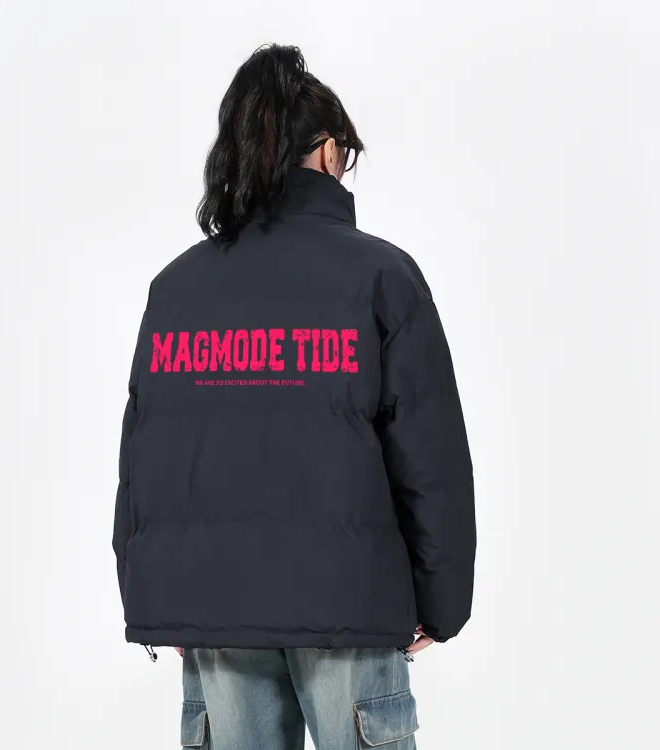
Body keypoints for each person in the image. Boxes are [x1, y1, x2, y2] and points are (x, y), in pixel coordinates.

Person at [113, 43, 476, 750]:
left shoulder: (176, 289)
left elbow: (146, 457)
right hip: (350, 603)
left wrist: (167, 594)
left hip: (216, 605)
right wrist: (442, 601)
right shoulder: (382, 277)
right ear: (328, 151)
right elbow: (430, 457)